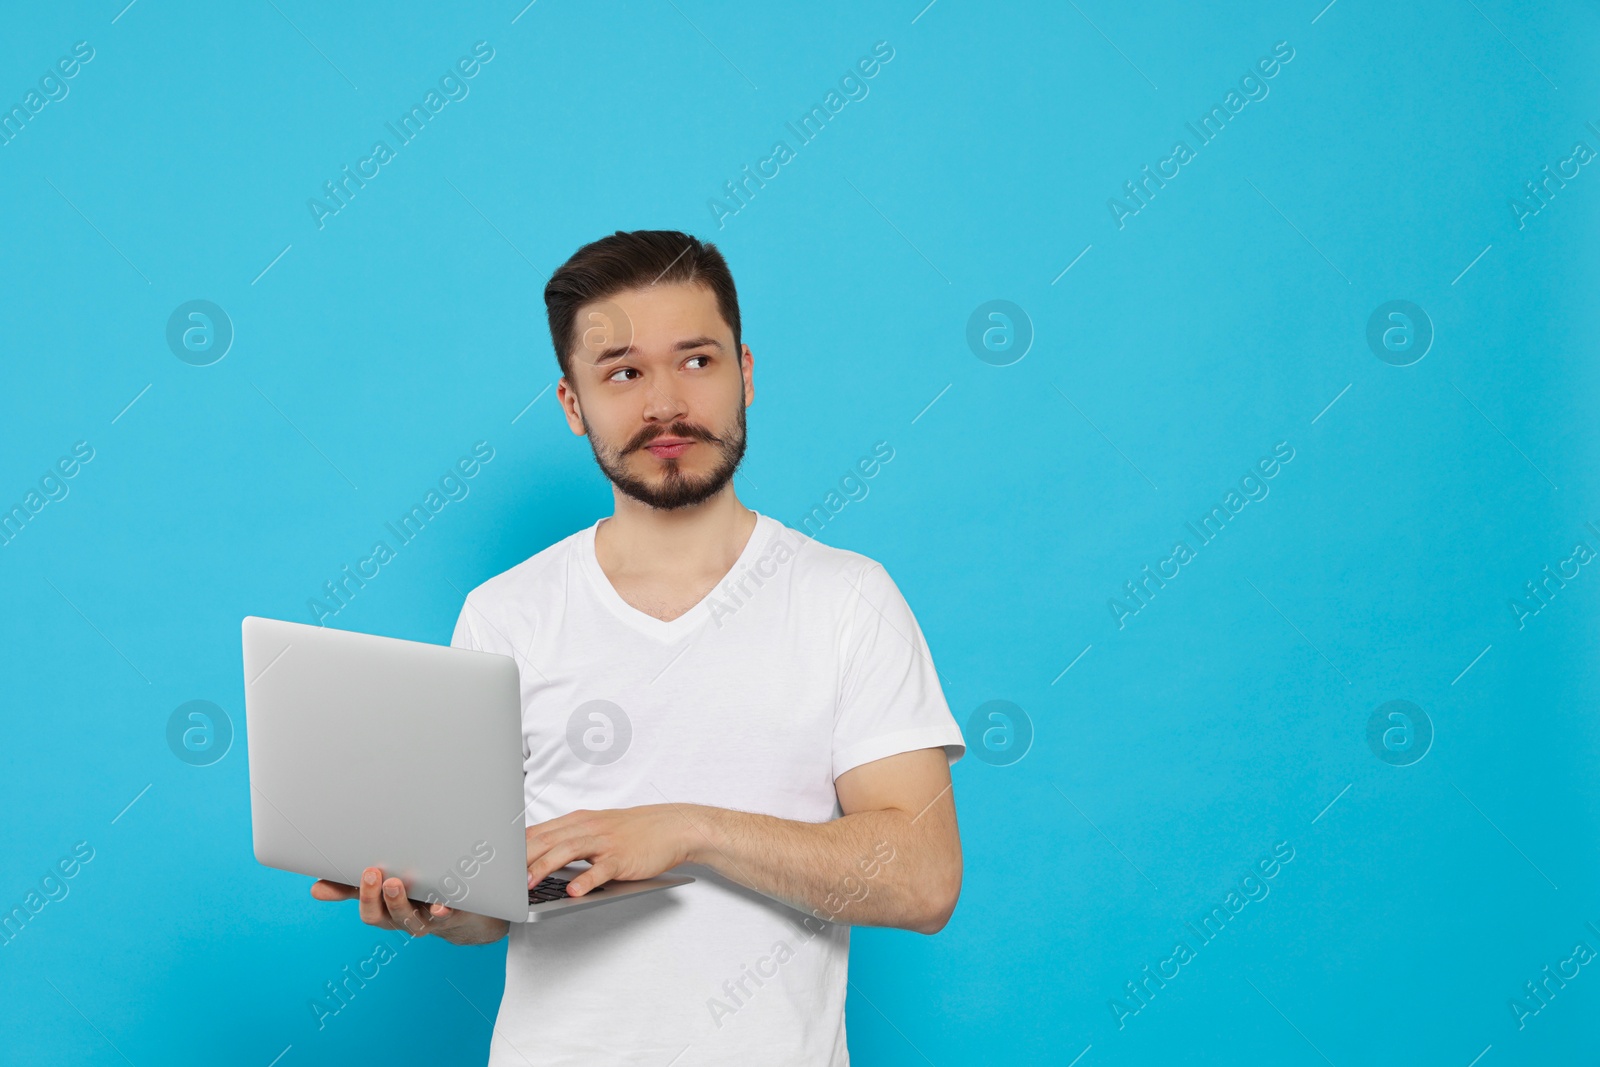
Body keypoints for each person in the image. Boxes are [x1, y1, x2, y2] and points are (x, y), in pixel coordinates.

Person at [311, 229, 965, 1064]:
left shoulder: (847, 599)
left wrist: (686, 828)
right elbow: (486, 910)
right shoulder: (506, 614)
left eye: (696, 360)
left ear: (746, 373)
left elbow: (923, 876)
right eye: (623, 372)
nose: (664, 403)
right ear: (573, 404)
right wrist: (434, 905)